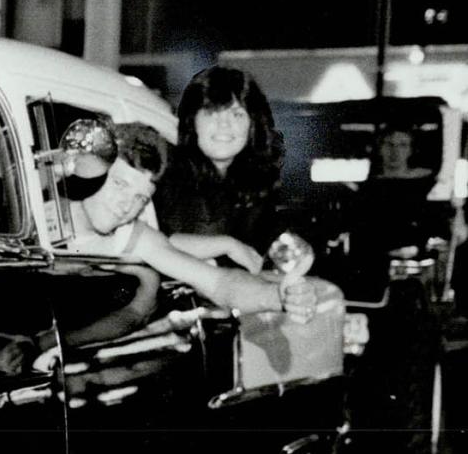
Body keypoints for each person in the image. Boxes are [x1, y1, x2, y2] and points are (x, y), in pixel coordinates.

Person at [62, 119, 315, 323]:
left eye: (140, 197)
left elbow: (219, 283)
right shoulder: (31, 208)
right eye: (120, 184)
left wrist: (277, 296)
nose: (126, 205)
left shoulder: (130, 237)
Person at [154, 66, 285, 254]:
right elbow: (148, 243)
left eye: (237, 114)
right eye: (212, 112)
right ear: (192, 122)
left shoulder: (259, 186)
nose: (224, 124)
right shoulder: (165, 174)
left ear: (252, 126)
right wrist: (227, 246)